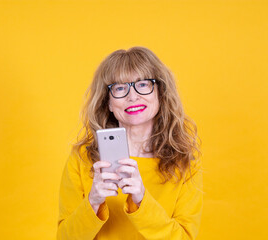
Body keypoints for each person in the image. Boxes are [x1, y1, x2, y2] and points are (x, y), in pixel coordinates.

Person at [57, 47, 203, 240]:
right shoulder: (82, 159)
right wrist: (92, 202)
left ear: (160, 93)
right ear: (107, 102)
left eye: (142, 84)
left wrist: (142, 200)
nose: (132, 96)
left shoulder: (185, 163)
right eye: (119, 88)